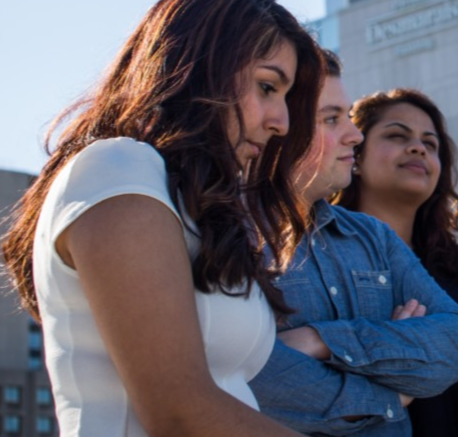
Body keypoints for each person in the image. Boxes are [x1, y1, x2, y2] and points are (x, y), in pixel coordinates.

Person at [0, 0, 324, 435]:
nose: (282, 122)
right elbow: (178, 412)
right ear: (197, 68)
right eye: (268, 87)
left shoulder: (189, 206)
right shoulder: (117, 168)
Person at [247, 53, 458, 436]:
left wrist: (319, 340)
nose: (354, 136)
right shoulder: (230, 237)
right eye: (332, 119)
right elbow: (249, 379)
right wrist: (391, 391)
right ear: (281, 125)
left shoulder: (374, 237)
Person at [331, 87, 458, 437]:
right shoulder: (324, 267)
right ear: (355, 156)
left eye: (430, 144)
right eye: (397, 135)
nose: (418, 148)